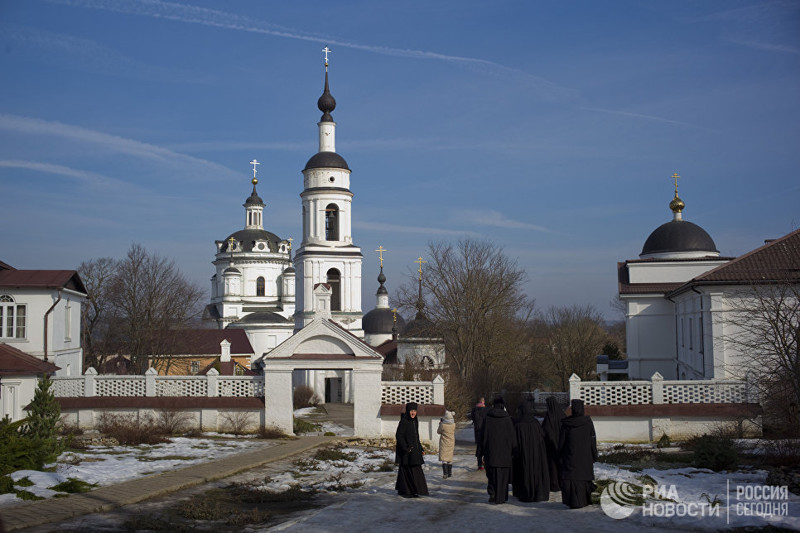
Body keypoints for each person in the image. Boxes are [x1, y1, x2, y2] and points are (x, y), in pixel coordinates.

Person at [558, 399, 598, 509]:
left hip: (570, 456)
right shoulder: (588, 422)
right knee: (582, 479)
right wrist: (594, 454)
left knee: (572, 479)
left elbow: (562, 441)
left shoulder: (567, 423)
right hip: (585, 457)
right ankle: (584, 500)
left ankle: (572, 501)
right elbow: (592, 439)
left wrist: (560, 454)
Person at [512, 398, 550, 502]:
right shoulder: (535, 423)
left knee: (523, 471)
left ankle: (525, 493)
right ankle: (537, 492)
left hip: (522, 453)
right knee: (535, 471)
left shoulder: (518, 424)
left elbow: (514, 441)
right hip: (536, 453)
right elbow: (542, 437)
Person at [481, 397, 516, 504]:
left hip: (491, 453)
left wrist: (481, 452)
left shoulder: (488, 419)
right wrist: (514, 451)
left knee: (491, 475)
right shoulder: (507, 419)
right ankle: (502, 496)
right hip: (505, 453)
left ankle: (492, 493)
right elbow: (512, 438)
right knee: (503, 476)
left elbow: (484, 436)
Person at [395, 402, 429, 497]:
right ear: (408, 411)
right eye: (411, 411)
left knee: (413, 469)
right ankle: (408, 491)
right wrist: (405, 447)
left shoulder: (415, 421)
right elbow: (399, 435)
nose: (413, 413)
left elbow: (416, 436)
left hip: (414, 450)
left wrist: (421, 448)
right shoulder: (404, 421)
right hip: (407, 450)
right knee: (408, 470)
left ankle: (410, 490)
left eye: (414, 411)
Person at [542, 396, 566, 491]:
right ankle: (562, 482)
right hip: (562, 444)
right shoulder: (563, 415)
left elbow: (545, 430)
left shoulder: (549, 417)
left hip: (551, 446)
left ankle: (554, 484)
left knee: (552, 466)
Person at [469, 397, 488, 470]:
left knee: (479, 448)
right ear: (483, 402)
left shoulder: (474, 410)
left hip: (477, 432)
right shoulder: (486, 410)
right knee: (486, 448)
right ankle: (485, 462)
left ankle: (479, 464)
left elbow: (473, 419)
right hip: (485, 431)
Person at [437, 410, 456, 479]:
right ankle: (450, 473)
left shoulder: (443, 425)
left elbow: (438, 431)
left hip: (444, 442)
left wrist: (440, 423)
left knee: (444, 458)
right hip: (451, 442)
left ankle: (445, 473)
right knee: (449, 458)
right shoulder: (454, 425)